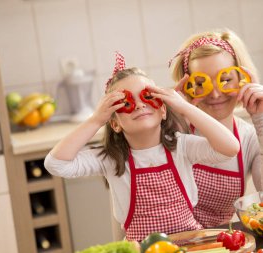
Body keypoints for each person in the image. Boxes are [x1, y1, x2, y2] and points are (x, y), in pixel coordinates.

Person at [44, 52, 240, 241]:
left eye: (147, 97)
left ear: (162, 110)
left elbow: (230, 147)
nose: (139, 105)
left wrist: (184, 107)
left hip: (192, 245)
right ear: (115, 123)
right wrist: (96, 120)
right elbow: (55, 164)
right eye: (125, 102)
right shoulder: (111, 159)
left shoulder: (181, 147)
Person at [169, 29, 263, 228]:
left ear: (242, 78)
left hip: (220, 245)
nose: (216, 94)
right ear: (186, 85)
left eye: (225, 80)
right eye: (201, 83)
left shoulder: (248, 138)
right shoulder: (171, 131)